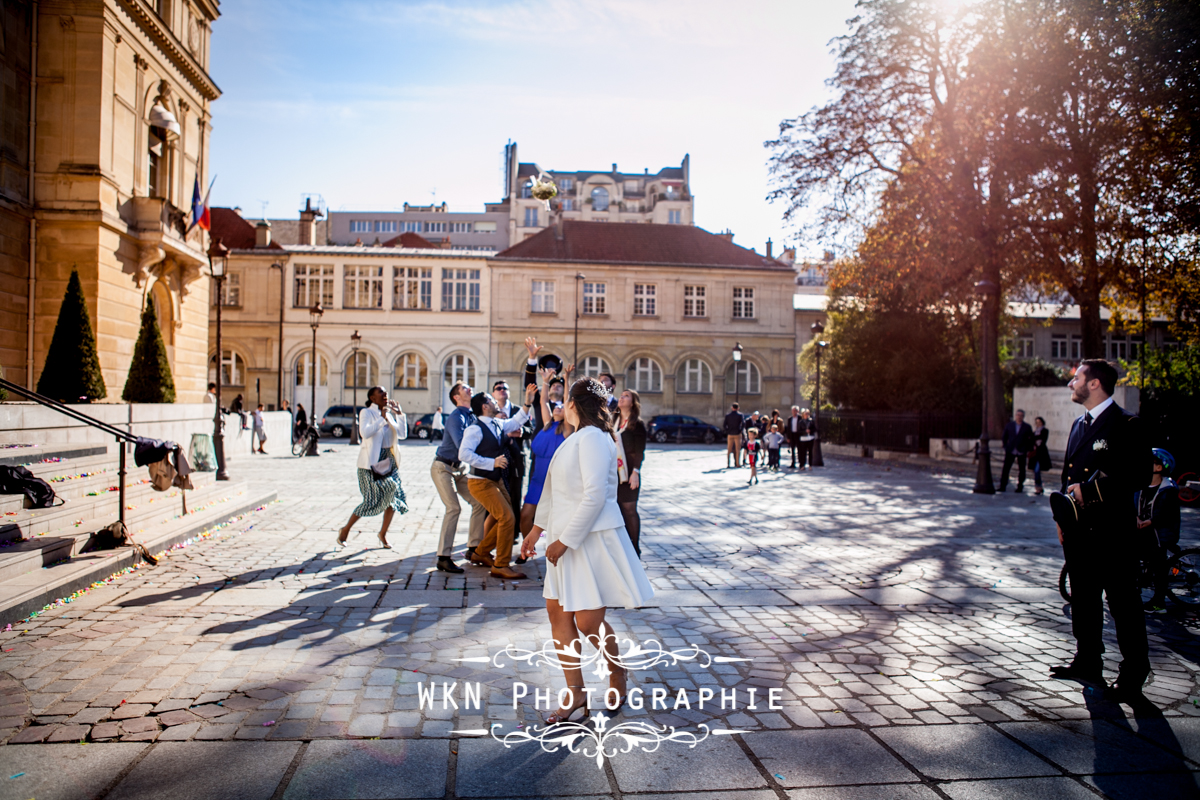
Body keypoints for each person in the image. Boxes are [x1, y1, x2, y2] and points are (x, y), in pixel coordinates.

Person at [519, 378, 654, 725]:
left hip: (588, 540)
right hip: (562, 539)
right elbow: (554, 492)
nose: (561, 407)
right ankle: (575, 692)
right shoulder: (572, 438)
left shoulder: (594, 438)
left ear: (576, 404)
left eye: (565, 401)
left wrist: (565, 541)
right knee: (557, 615)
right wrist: (537, 531)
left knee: (588, 622)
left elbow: (594, 496)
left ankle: (617, 672)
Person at [1050, 359, 1151, 706]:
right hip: (1080, 533)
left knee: (1123, 605)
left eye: (1076, 377)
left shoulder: (1127, 424)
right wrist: (1064, 521)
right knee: (1085, 601)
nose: (1071, 383)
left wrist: (1091, 492)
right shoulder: (1080, 425)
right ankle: (1088, 662)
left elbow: (1139, 474)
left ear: (1094, 384)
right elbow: (1068, 477)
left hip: (1112, 533)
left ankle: (1134, 673)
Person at [460, 384, 538, 580]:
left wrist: (527, 402)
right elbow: (464, 454)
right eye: (492, 400)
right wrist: (491, 462)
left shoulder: (496, 423)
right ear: (485, 406)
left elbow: (516, 421)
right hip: (481, 482)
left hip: (495, 481)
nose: (496, 402)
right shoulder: (475, 429)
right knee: (508, 519)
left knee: (506, 517)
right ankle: (501, 565)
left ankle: (481, 553)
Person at [337, 386, 408, 550]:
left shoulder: (389, 414)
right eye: (381, 393)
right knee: (371, 500)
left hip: (388, 462)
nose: (385, 395)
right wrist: (382, 418)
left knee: (393, 497)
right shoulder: (366, 413)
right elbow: (365, 433)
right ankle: (345, 530)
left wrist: (399, 415)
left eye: (386, 393)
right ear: (372, 398)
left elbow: (402, 434)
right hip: (371, 464)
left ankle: (383, 534)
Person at [431, 381, 487, 574]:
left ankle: (473, 549)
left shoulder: (471, 415)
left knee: (479, 503)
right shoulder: (456, 417)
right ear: (456, 397)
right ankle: (443, 557)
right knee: (453, 508)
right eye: (464, 388)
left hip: (460, 468)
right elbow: (461, 444)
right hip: (443, 467)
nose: (470, 388)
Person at [520, 368, 572, 539]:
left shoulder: (567, 429)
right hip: (537, 479)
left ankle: (555, 550)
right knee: (525, 516)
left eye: (561, 407)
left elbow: (567, 400)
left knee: (555, 519)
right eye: (556, 407)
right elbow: (543, 402)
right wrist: (545, 381)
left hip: (555, 480)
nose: (558, 408)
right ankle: (527, 548)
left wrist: (567, 378)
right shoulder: (547, 424)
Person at [1138, 448, 1181, 609]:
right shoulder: (1140, 486)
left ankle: (1159, 602)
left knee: (1159, 565)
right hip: (1142, 530)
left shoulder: (1167, 489)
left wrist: (1151, 521)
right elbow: (1134, 504)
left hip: (1159, 534)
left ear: (1159, 467)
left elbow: (1169, 514)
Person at [493, 379, 531, 545]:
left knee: (515, 496)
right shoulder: (490, 410)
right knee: (496, 496)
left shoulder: (518, 410)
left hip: (515, 460)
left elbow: (531, 430)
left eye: (505, 388)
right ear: (494, 393)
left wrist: (521, 431)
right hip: (495, 459)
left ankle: (514, 533)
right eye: (498, 388)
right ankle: (493, 532)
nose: (502, 390)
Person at [615, 388, 647, 557]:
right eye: (621, 395)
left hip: (629, 474)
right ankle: (624, 547)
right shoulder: (613, 421)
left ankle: (635, 549)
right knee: (618, 509)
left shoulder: (637, 424)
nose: (622, 397)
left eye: (626, 396)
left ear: (633, 402)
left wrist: (636, 472)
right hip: (613, 474)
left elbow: (640, 451)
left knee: (629, 509)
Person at [1000, 409, 1035, 492]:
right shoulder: (1009, 425)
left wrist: (1027, 449)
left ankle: (1020, 486)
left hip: (1021, 451)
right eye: (1018, 415)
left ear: (1023, 417)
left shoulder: (1027, 427)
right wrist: (1005, 446)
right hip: (1010, 450)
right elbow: (1004, 436)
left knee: (1022, 469)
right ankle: (1003, 485)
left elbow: (1031, 439)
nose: (1019, 417)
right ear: (1015, 416)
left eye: (1021, 415)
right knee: (1006, 468)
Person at [1030, 416, 1051, 495]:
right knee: (1035, 471)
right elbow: (1032, 440)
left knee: (1037, 470)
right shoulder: (1034, 432)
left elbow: (1043, 439)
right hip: (1035, 454)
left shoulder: (1045, 431)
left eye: (1039, 422)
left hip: (1042, 454)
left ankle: (1038, 487)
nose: (1038, 424)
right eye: (1037, 422)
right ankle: (1038, 487)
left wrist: (1035, 438)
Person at [724, 403, 744, 468]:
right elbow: (743, 423)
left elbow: (724, 425)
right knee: (738, 449)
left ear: (732, 408)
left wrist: (727, 430)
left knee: (729, 449)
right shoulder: (740, 415)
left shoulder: (728, 415)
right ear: (738, 408)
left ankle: (728, 463)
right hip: (737, 433)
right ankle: (737, 463)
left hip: (730, 434)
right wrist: (741, 430)